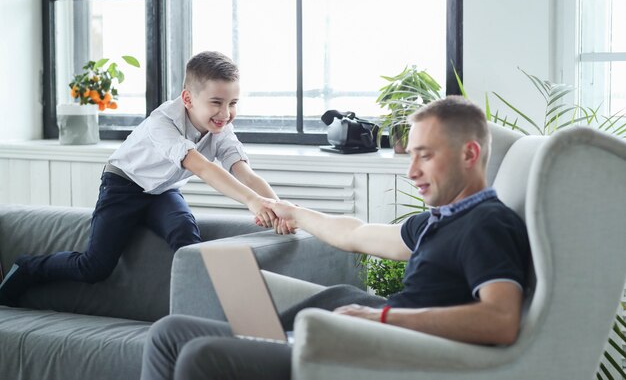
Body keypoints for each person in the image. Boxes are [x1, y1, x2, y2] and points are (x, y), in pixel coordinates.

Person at [139, 96, 531, 380]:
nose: (411, 171)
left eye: (424, 156)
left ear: (469, 154)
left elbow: (500, 320)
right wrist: (293, 212)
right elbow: (356, 233)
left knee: (202, 355)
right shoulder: (438, 221)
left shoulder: (486, 224)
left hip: (379, 352)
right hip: (352, 331)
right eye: (410, 155)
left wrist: (380, 316)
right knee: (168, 333)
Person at [0, 51, 291, 307]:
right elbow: (201, 167)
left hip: (163, 190)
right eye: (217, 102)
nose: (226, 114)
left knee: (185, 235)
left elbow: (243, 171)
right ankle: (27, 268)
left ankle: (200, 308)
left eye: (233, 103)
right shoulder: (162, 122)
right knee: (95, 267)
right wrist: (252, 202)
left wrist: (277, 208)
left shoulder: (220, 128)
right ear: (187, 98)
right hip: (123, 185)